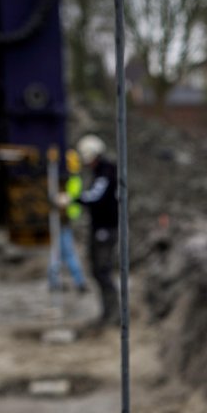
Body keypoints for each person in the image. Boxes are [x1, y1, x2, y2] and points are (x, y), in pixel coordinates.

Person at [74, 133, 120, 325]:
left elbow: (96, 197)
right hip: (100, 227)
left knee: (103, 270)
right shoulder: (101, 171)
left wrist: (73, 199)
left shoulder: (106, 171)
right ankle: (107, 313)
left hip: (106, 228)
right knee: (97, 270)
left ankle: (114, 314)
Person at [48, 149, 89, 294]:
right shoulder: (72, 179)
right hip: (62, 221)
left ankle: (60, 281)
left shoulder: (71, 180)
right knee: (62, 252)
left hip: (64, 220)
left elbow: (68, 200)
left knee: (61, 252)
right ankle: (73, 282)